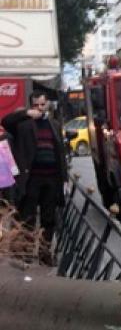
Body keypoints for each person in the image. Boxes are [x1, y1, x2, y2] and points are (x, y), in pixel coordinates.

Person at [1, 91, 68, 264]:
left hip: (52, 179)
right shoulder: (23, 124)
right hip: (31, 179)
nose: (39, 108)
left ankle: (45, 254)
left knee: (49, 219)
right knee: (28, 217)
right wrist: (25, 113)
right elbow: (6, 121)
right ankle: (26, 253)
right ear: (31, 106)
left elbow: (60, 152)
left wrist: (64, 178)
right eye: (36, 105)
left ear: (47, 105)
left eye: (42, 104)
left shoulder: (53, 124)